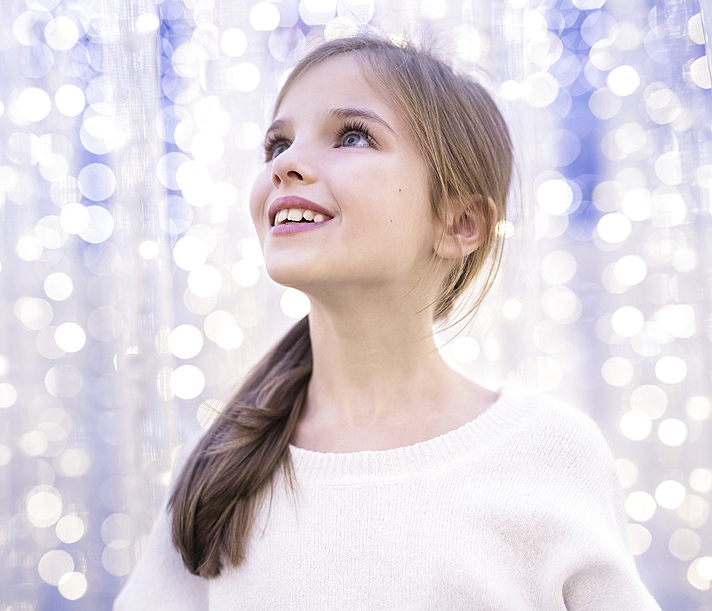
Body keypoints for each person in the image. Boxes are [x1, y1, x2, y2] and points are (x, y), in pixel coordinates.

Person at [115, 32, 659, 610]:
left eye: (352, 136)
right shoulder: (220, 467)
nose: (287, 164)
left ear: (461, 223)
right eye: (277, 145)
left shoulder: (548, 451)